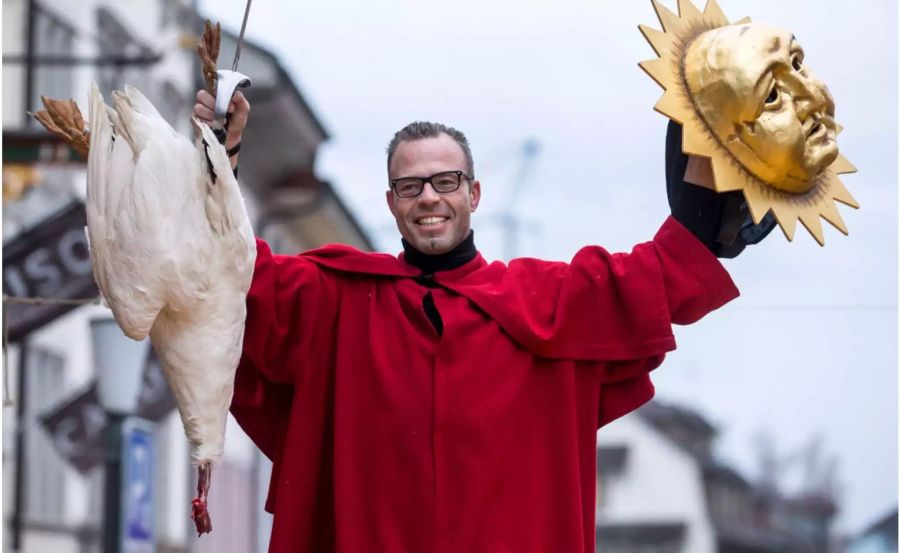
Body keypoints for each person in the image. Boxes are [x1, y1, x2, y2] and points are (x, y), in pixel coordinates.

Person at [193, 90, 772, 553]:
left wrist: (713, 192)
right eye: (410, 185)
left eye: (445, 182)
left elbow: (656, 279)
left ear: (474, 192)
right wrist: (220, 161)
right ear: (391, 201)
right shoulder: (336, 300)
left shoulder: (547, 300)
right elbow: (235, 276)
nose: (429, 198)